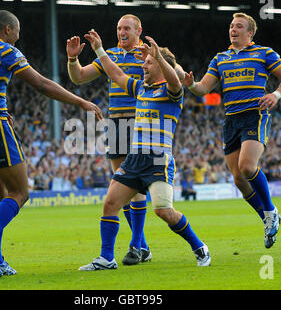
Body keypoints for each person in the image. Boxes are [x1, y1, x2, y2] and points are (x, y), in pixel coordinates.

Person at [0, 10, 102, 277]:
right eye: (17, 31)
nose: (18, 36)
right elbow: (40, 83)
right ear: (7, 30)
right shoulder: (6, 50)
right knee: (20, 192)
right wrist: (80, 101)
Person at [79, 30, 211, 271]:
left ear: (161, 65)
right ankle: (107, 258)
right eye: (145, 63)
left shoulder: (173, 92)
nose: (144, 66)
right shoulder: (141, 88)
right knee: (110, 204)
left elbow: (173, 80)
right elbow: (116, 73)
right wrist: (98, 49)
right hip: (134, 158)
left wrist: (158, 56)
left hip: (159, 160)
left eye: (148, 63)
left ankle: (199, 246)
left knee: (163, 211)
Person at [182, 12, 281, 248]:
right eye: (231, 26)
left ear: (250, 33)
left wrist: (275, 95)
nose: (233, 29)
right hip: (231, 120)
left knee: (247, 167)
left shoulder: (264, 53)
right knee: (238, 179)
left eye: (239, 26)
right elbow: (203, 89)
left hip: (255, 115)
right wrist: (191, 83)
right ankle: (267, 216)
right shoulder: (220, 58)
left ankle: (270, 210)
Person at [66, 14, 152, 265]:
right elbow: (79, 76)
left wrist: (154, 58)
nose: (121, 32)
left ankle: (136, 246)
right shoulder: (110, 55)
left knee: (134, 185)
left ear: (138, 30)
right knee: (121, 184)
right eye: (118, 28)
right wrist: (73, 58)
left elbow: (169, 75)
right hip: (115, 123)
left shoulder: (145, 55)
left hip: (140, 121)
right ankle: (142, 245)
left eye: (126, 28)